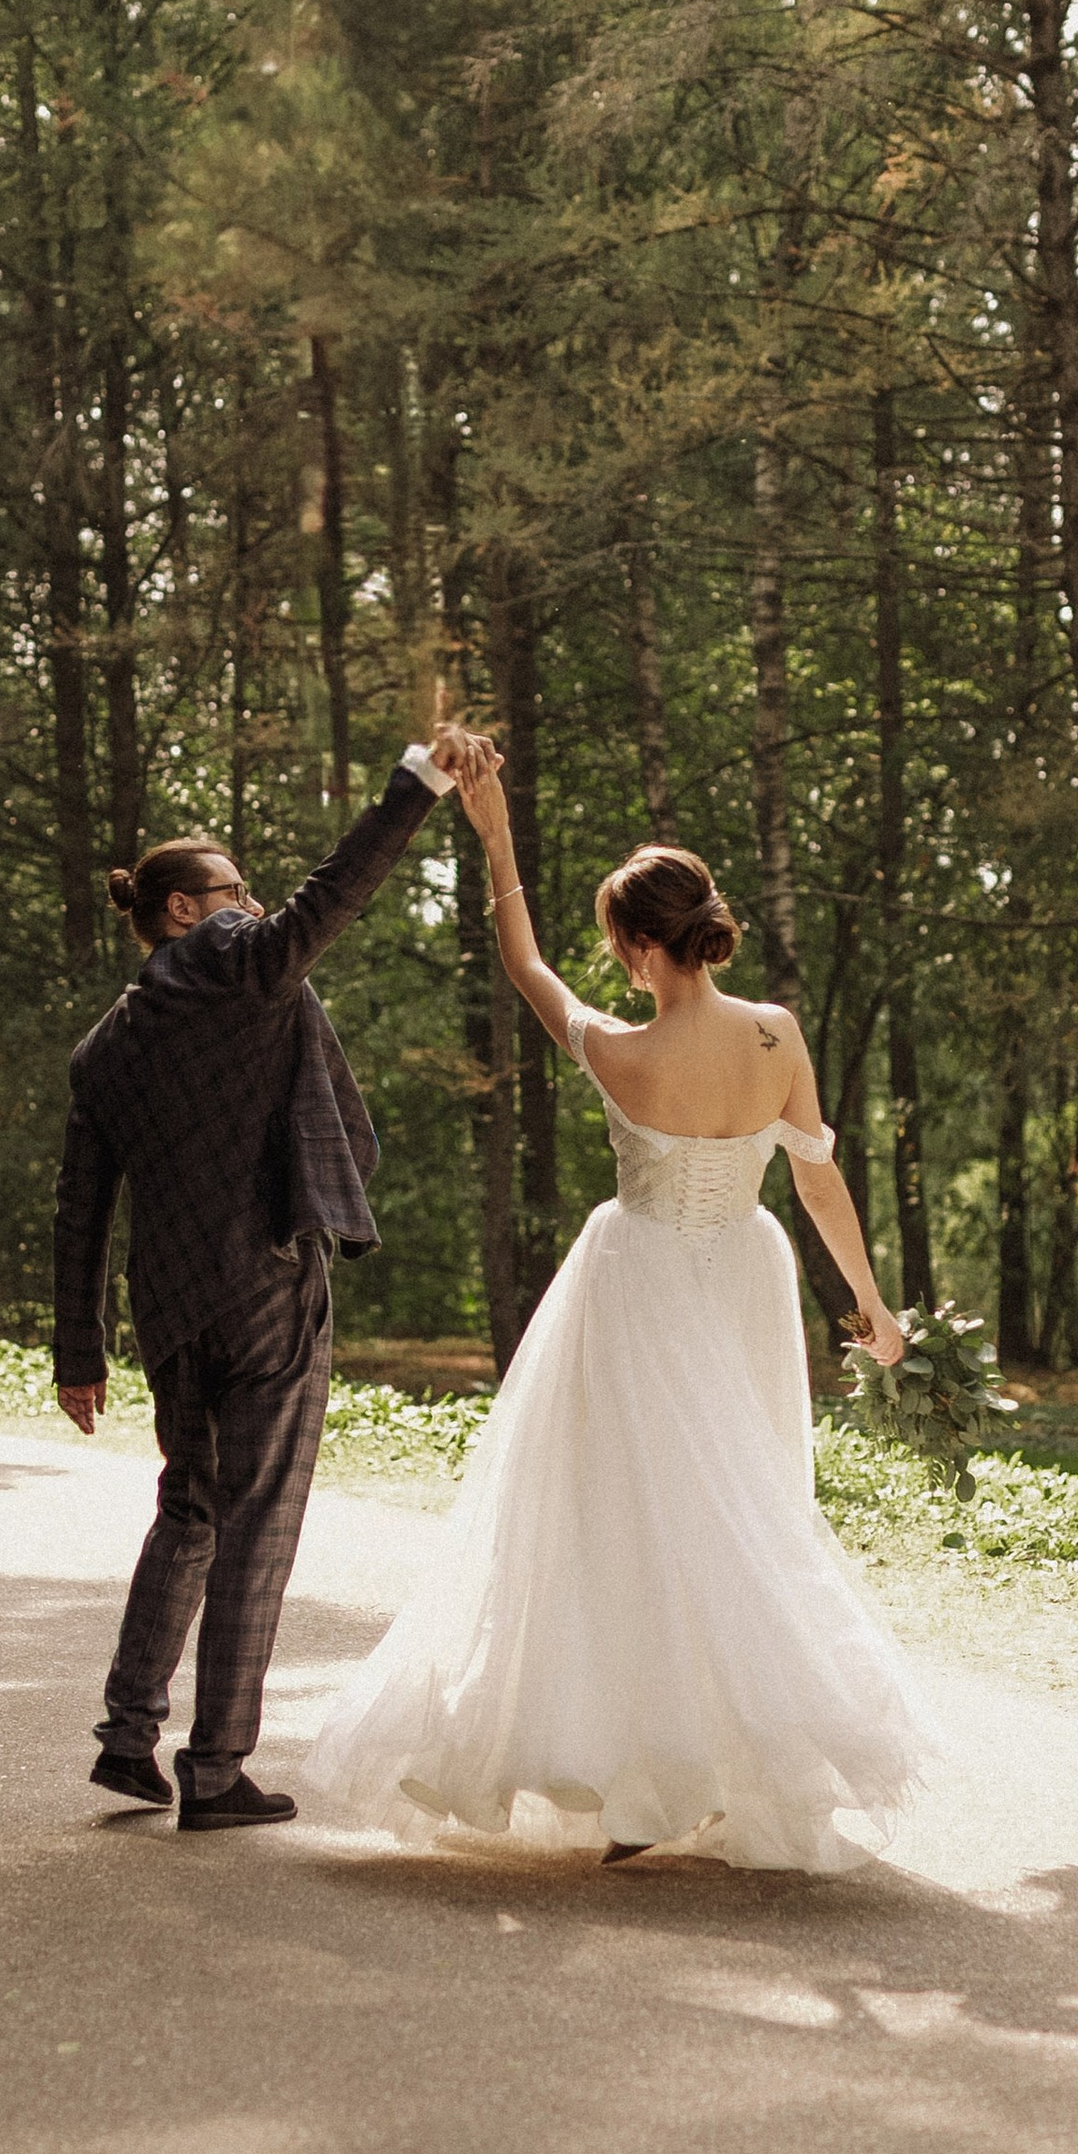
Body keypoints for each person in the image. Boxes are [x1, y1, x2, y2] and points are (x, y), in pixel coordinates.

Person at [306, 747, 931, 1871]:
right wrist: (873, 1308)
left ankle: (642, 1777)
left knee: (619, 1520)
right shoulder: (775, 1032)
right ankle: (706, 1768)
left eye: (620, 944)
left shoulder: (615, 1049)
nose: (617, 963)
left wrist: (494, 835)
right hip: (745, 1270)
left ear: (645, 945)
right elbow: (818, 1177)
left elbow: (523, 962)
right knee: (740, 1505)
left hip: (638, 1278)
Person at [52, 727, 483, 1829]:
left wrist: (79, 1351)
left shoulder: (106, 1046)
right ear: (184, 912)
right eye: (231, 886)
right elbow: (330, 893)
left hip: (170, 1305)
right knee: (259, 1523)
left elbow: (81, 1207)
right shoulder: (239, 964)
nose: (249, 900)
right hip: (269, 1286)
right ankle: (214, 1768)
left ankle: (126, 1735)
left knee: (188, 1508)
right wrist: (418, 782)